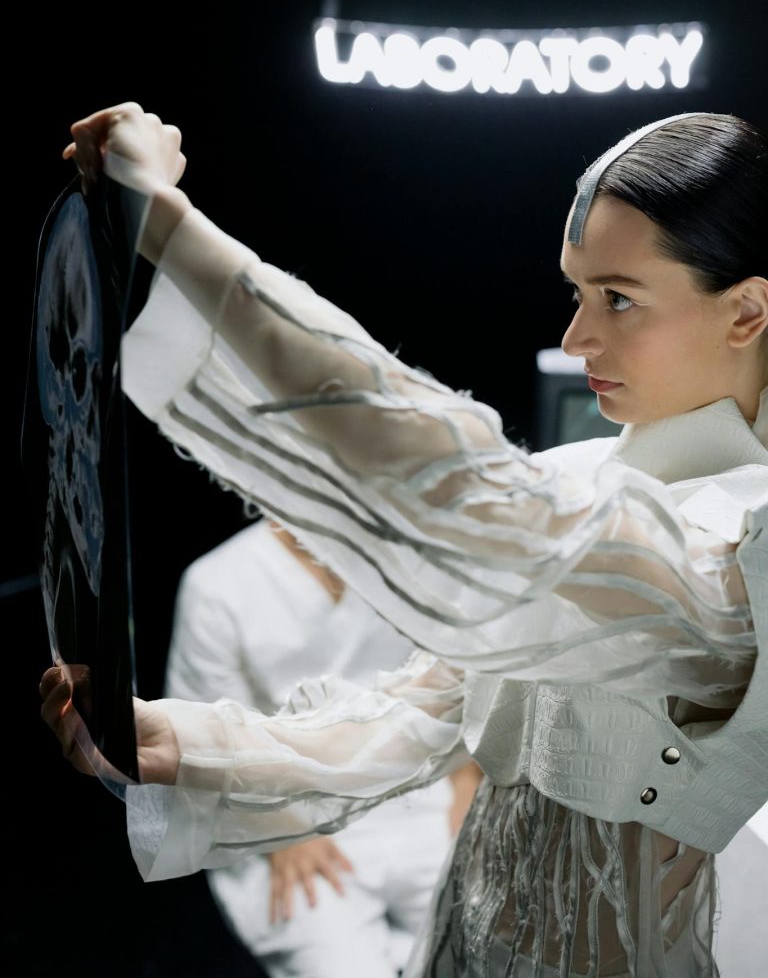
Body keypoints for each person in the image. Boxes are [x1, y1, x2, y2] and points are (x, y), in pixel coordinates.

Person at [40, 102, 768, 978]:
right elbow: (414, 721)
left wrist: (172, 228)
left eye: (619, 298)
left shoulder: (745, 537)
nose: (578, 338)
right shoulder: (583, 478)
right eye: (577, 294)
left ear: (747, 311)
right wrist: (173, 744)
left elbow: (456, 501)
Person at [164, 515, 482, 978]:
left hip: (421, 792)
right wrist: (282, 832)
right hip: (285, 813)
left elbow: (462, 670)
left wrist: (467, 777)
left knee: (482, 942)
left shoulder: (414, 551)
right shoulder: (217, 583)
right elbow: (206, 738)